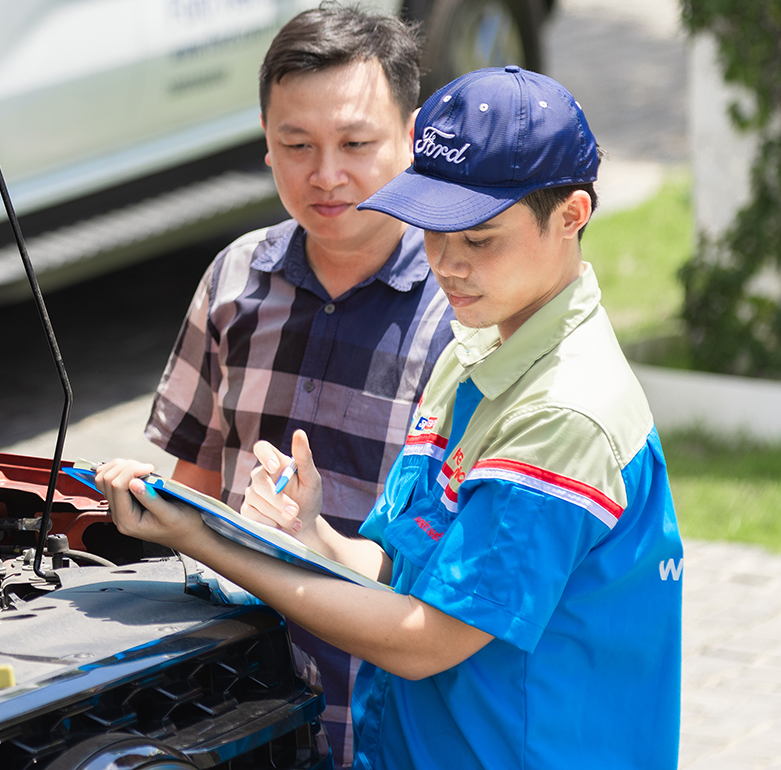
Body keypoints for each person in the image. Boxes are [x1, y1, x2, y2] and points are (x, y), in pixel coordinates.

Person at [102, 65, 683, 770]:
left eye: (480, 238)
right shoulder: (475, 348)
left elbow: (424, 637)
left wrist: (210, 541)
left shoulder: (563, 412)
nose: (448, 264)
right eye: (435, 231)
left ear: (571, 217)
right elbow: (402, 570)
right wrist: (311, 534)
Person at [143, 1, 453, 766]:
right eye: (296, 144)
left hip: (396, 723)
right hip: (237, 715)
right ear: (265, 144)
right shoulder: (234, 279)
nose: (326, 175)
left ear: (412, 139)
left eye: (356, 143)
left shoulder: (462, 311)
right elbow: (194, 495)